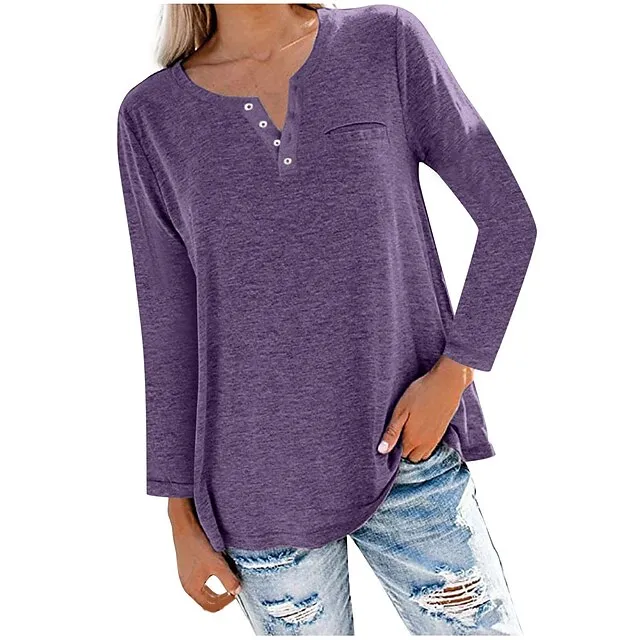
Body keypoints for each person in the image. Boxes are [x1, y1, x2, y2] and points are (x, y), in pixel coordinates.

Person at [116, 2, 536, 635]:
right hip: (256, 492)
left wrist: (454, 374)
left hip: (406, 457)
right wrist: (179, 513)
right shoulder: (152, 116)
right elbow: (169, 327)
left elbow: (508, 222)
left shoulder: (384, 43)